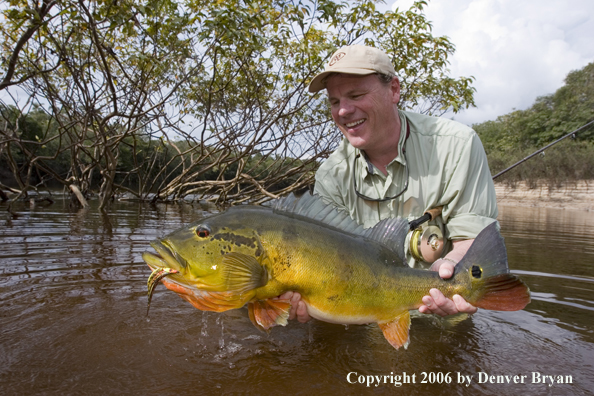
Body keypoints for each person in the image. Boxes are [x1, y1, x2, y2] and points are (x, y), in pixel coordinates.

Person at [281, 44, 498, 321]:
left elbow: (474, 240)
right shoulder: (331, 174)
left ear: (394, 90)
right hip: (359, 316)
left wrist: (453, 268)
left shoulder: (458, 146)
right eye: (334, 101)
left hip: (439, 317)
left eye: (356, 95)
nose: (343, 111)